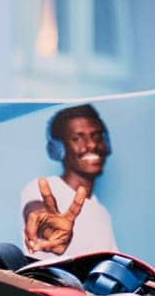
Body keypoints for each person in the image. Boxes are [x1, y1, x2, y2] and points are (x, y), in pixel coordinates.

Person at [20, 103, 120, 257]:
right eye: (77, 138)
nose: (92, 144)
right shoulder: (42, 187)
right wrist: (47, 227)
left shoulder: (102, 212)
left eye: (97, 137)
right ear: (57, 149)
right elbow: (35, 212)